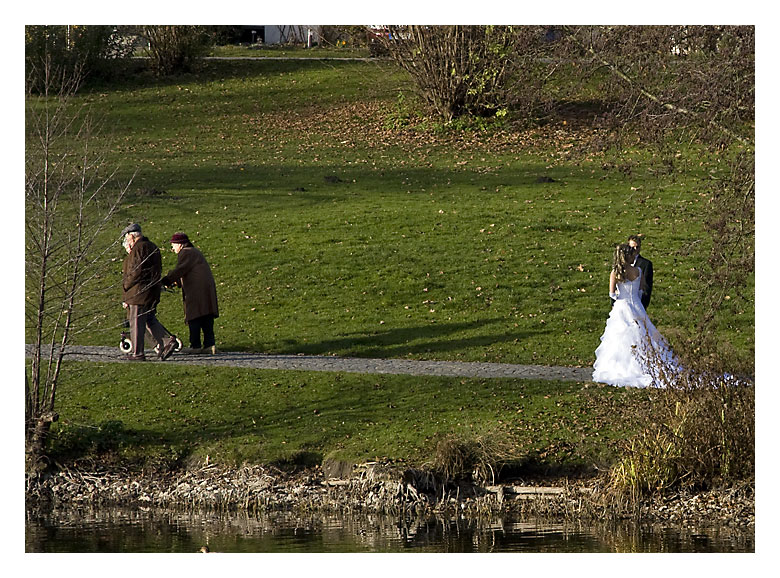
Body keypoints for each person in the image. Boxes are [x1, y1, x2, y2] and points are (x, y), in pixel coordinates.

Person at [593, 243, 676, 388]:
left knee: (619, 337)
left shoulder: (615, 273)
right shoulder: (638, 271)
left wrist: (620, 295)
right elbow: (642, 289)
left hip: (622, 306)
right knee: (643, 333)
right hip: (637, 306)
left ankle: (620, 366)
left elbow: (612, 294)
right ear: (629, 256)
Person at [121, 223, 179, 361]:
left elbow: (135, 271)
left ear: (131, 236)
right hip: (151, 290)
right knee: (149, 319)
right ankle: (167, 341)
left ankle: (137, 353)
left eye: (126, 237)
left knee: (135, 322)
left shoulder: (138, 248)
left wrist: (126, 285)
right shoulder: (152, 247)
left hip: (138, 292)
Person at [161, 232, 219, 354]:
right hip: (205, 290)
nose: (172, 248)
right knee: (206, 316)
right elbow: (188, 270)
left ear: (180, 244)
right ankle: (210, 344)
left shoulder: (186, 252)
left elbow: (181, 269)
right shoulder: (194, 252)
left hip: (195, 291)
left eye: (173, 245)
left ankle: (195, 345)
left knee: (194, 316)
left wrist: (166, 280)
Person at [610, 234, 653, 311]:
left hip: (637, 305)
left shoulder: (645, 264)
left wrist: (642, 306)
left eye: (638, 247)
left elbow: (646, 287)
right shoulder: (617, 270)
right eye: (633, 247)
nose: (635, 250)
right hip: (623, 306)